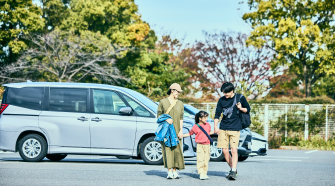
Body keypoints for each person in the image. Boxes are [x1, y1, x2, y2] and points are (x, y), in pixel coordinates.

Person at [213, 82, 250, 180]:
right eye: (224, 92)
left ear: (232, 91)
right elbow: (217, 114)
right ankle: (233, 169)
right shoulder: (221, 100)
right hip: (223, 127)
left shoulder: (240, 98)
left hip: (235, 128)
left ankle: (233, 171)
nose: (225, 94)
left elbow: (248, 109)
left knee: (234, 150)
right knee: (224, 151)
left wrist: (240, 108)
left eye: (226, 93)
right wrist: (215, 126)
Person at [157, 83, 185, 179]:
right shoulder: (162, 102)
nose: (179, 93)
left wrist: (181, 131)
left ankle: (175, 171)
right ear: (172, 90)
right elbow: (158, 116)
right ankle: (169, 171)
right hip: (166, 130)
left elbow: (181, 118)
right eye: (177, 91)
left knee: (177, 150)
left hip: (177, 129)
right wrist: (166, 119)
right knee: (168, 149)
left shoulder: (180, 103)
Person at [181, 111, 214, 180]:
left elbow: (208, 133)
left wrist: (215, 132)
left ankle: (205, 173)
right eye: (204, 117)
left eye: (207, 117)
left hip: (207, 145)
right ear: (200, 118)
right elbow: (190, 133)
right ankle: (201, 173)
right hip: (199, 145)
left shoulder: (208, 125)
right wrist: (182, 135)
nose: (206, 119)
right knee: (200, 159)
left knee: (206, 159)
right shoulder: (196, 126)